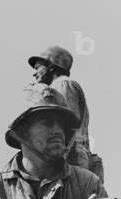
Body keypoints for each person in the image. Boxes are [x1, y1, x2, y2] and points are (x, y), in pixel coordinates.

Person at [28, 45, 104, 181]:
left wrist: (58, 163)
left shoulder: (62, 84)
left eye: (38, 67)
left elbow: (67, 124)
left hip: (71, 158)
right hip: (70, 156)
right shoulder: (58, 86)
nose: (34, 73)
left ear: (51, 66)